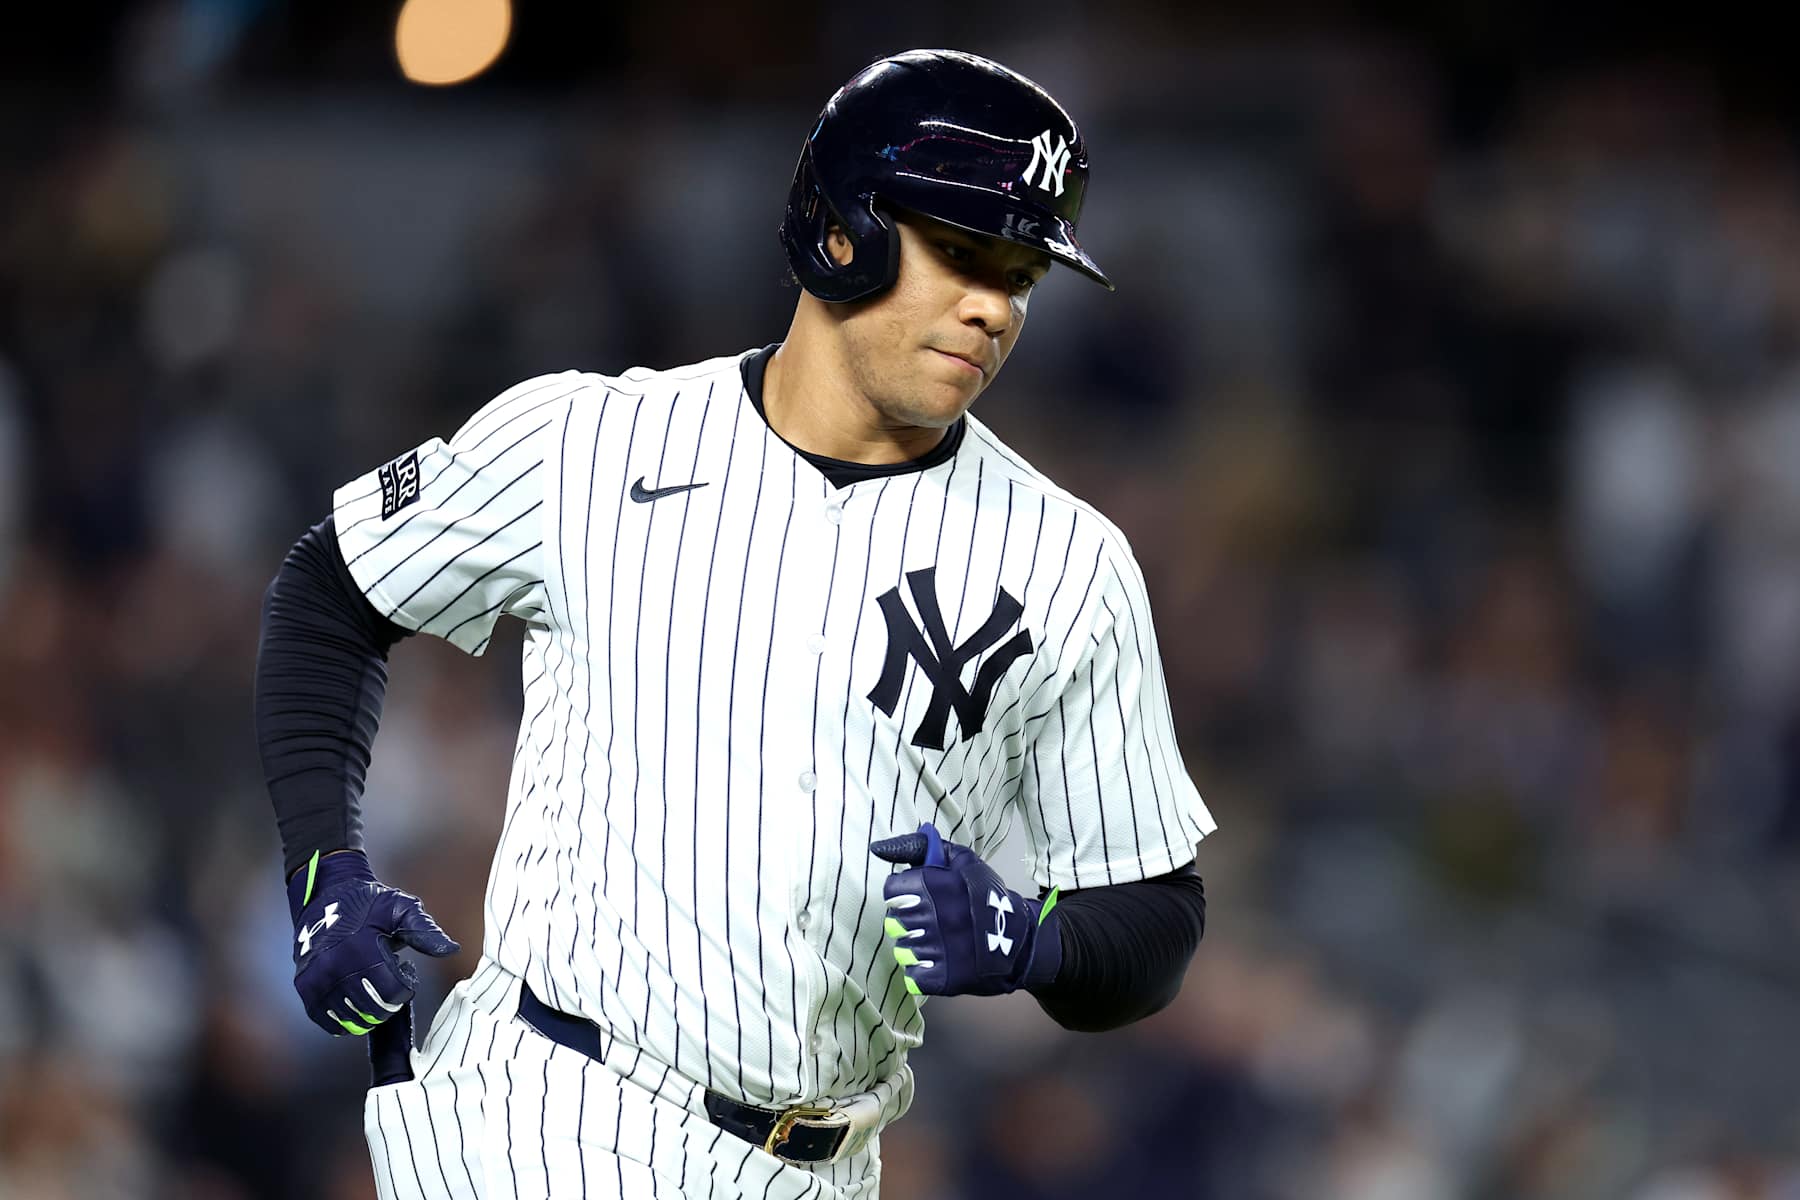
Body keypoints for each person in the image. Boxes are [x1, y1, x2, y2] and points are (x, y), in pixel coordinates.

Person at [255, 48, 1215, 1200]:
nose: (992, 307)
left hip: (823, 1162)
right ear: (841, 228)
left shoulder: (1071, 564)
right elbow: (330, 589)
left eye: (1019, 274)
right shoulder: (591, 441)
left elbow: (1155, 911)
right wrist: (325, 870)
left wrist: (1032, 940)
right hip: (545, 1107)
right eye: (963, 253)